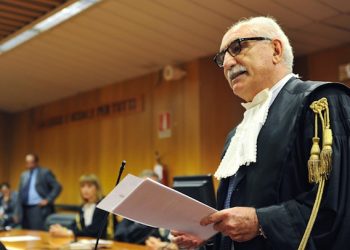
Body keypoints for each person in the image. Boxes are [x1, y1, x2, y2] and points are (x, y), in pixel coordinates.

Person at [172, 16, 350, 250]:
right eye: (221, 57)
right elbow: (237, 218)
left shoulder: (320, 103)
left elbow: (335, 203)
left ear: (276, 50)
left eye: (237, 47)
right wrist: (209, 238)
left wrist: (261, 222)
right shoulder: (236, 134)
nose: (226, 63)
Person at [50, 174, 114, 239]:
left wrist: (68, 233)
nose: (85, 190)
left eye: (89, 186)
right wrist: (62, 229)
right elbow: (75, 225)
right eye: (83, 186)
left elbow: (93, 230)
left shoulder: (104, 204)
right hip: (87, 241)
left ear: (97, 188)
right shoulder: (83, 206)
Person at [115, 170, 170, 245]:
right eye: (142, 187)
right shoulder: (134, 209)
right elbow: (119, 235)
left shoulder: (168, 210)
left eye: (151, 187)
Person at [17, 153, 62, 230]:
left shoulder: (44, 173)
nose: (28, 164)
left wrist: (48, 199)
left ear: (36, 162)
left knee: (36, 232)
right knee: (25, 231)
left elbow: (57, 187)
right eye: (27, 162)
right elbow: (20, 191)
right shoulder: (24, 175)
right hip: (24, 208)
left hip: (38, 208)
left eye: (31, 162)